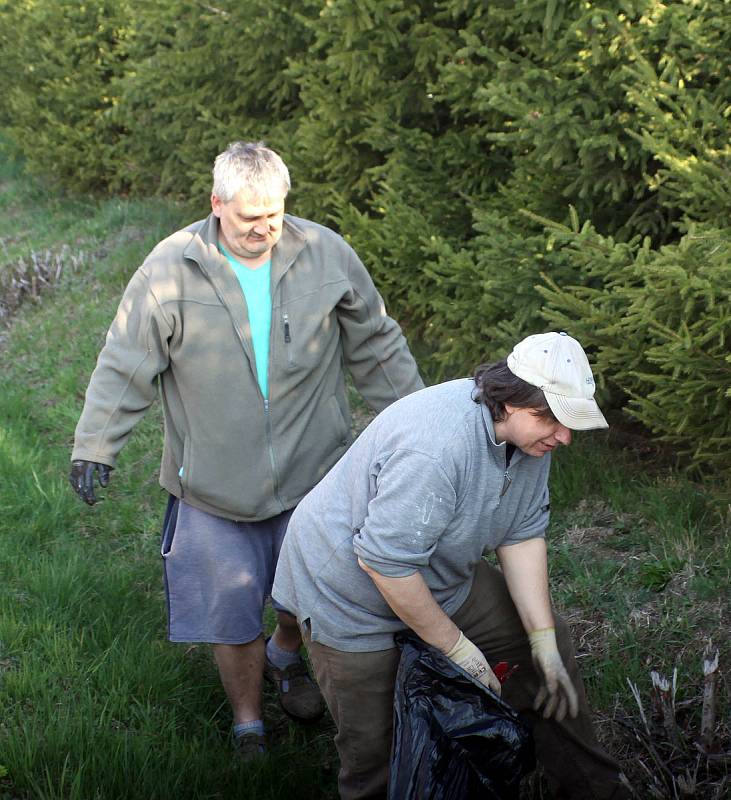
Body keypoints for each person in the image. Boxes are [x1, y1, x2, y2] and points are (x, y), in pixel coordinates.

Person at [69, 141, 423, 760]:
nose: (263, 229)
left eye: (274, 215)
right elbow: (125, 359)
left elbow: (377, 343)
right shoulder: (171, 268)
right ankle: (248, 720)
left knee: (305, 593)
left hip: (315, 474)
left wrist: (418, 421)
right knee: (230, 614)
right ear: (216, 204)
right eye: (247, 218)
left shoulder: (325, 254)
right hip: (213, 483)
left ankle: (287, 653)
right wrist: (96, 444)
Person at [272, 331, 631, 799]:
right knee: (378, 752)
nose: (563, 436)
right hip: (349, 593)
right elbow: (385, 565)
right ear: (508, 400)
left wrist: (541, 642)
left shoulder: (532, 441)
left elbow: (522, 536)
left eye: (568, 422)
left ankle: (594, 790)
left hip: (439, 573)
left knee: (544, 649)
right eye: (551, 418)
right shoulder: (436, 447)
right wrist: (458, 650)